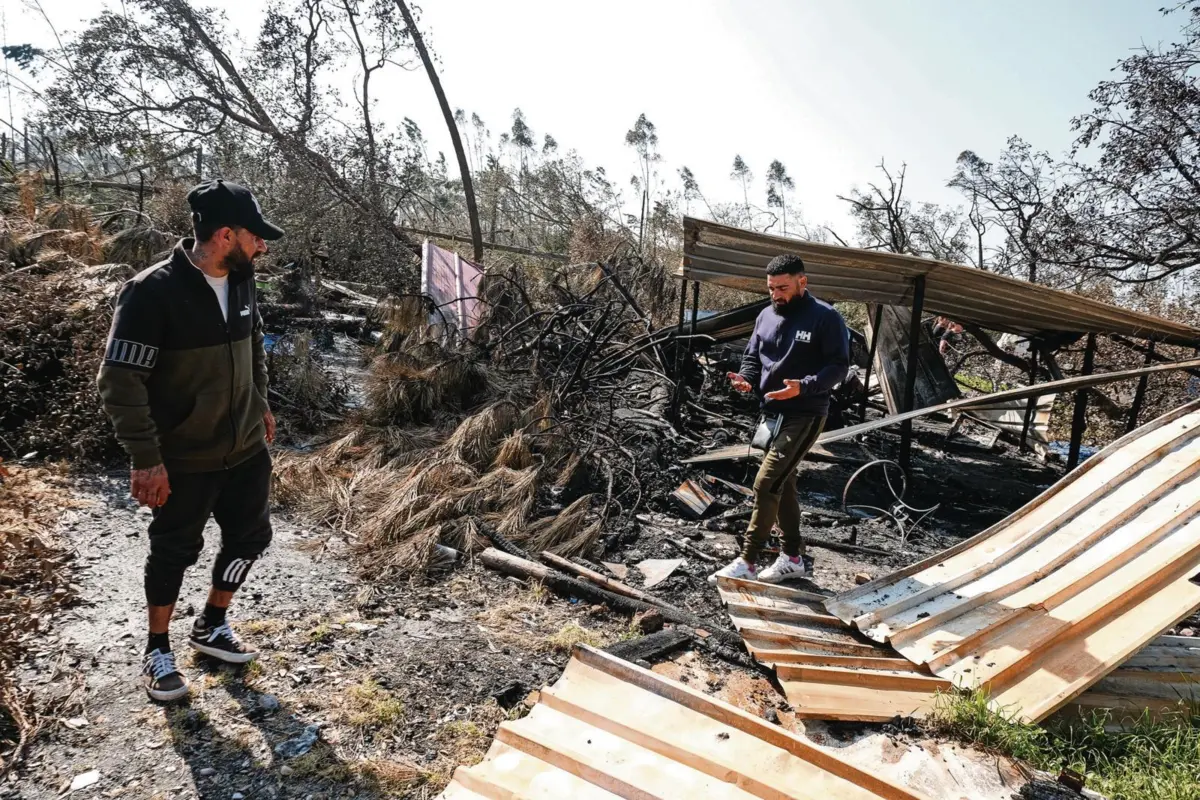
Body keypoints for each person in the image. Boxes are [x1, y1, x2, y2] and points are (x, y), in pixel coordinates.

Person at [97, 180, 283, 702]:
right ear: (226, 234)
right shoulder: (151, 293)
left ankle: (212, 624)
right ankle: (158, 648)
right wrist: (146, 459)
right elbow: (120, 381)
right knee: (174, 550)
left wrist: (260, 400)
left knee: (251, 537)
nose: (262, 246)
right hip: (184, 455)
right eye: (255, 237)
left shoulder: (243, 283)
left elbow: (253, 348)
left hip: (246, 448)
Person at [709, 254, 849, 585]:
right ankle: (793, 558)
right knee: (783, 485)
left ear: (803, 282)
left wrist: (805, 386)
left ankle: (748, 561)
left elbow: (839, 366)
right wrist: (745, 378)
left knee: (766, 483)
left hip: (805, 412)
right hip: (771, 412)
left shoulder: (826, 318)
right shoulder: (765, 315)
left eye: (783, 288)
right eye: (771, 288)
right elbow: (752, 356)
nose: (776, 295)